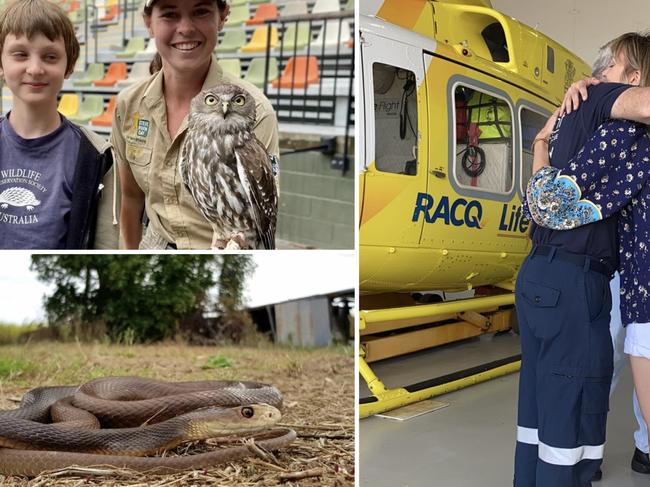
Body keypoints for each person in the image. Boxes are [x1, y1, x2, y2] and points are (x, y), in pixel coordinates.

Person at [514, 32, 650, 487]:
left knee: (540, 398)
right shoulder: (609, 109)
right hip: (575, 278)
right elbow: (551, 203)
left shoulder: (577, 114)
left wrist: (539, 143)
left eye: (603, 69)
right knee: (568, 401)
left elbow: (541, 201)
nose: (595, 76)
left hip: (541, 270)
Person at [113, 0, 280, 250]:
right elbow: (130, 199)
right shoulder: (130, 103)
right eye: (170, 14)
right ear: (149, 23)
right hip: (154, 247)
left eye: (200, 11)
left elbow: (263, 219)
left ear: (222, 16)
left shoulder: (256, 111)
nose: (186, 28)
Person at [0, 0, 119, 249]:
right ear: (1, 63)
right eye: (20, 54)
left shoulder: (96, 155)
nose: (35, 69)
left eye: (50, 56)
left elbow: (105, 247)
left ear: (70, 65)